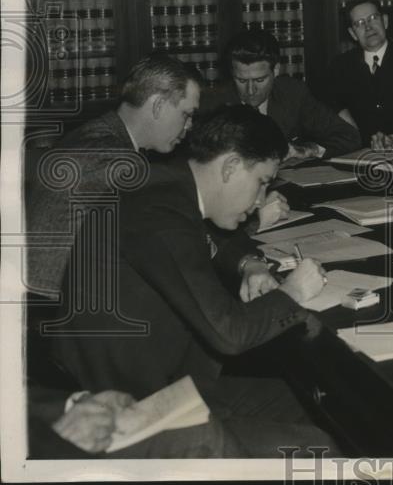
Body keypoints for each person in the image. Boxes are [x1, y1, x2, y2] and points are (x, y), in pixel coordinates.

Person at [50, 105, 335, 456]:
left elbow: (207, 242)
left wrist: (249, 264)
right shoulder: (161, 214)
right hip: (128, 411)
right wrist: (293, 290)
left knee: (314, 406)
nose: (262, 198)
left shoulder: (166, 188)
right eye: (262, 182)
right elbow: (228, 334)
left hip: (163, 381)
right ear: (230, 166)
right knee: (319, 449)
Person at [26, 53, 201, 297]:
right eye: (186, 114)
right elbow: (168, 230)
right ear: (158, 106)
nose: (190, 125)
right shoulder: (115, 156)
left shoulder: (95, 133)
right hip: (52, 305)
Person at [204, 28, 360, 159]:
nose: (250, 91)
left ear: (276, 70)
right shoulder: (213, 103)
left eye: (259, 80)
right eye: (242, 81)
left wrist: (308, 150)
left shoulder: (292, 94)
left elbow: (348, 136)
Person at [28, 383, 244, 458]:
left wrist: (75, 404)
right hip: (48, 454)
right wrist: (56, 442)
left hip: (40, 432)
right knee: (202, 435)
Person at [327, 0, 393, 150]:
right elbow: (331, 107)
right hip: (360, 157)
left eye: (373, 18)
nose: (368, 27)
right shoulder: (340, 67)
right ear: (353, 34)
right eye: (359, 23)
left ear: (385, 21)